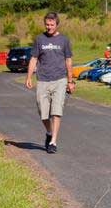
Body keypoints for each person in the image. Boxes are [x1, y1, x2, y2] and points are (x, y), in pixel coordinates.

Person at [25, 12, 75, 154]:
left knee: (56, 111)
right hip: (43, 80)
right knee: (43, 112)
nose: (49, 27)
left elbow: (68, 60)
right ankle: (49, 132)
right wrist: (29, 77)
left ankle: (53, 141)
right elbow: (34, 59)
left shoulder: (64, 40)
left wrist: (70, 81)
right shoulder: (39, 39)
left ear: (56, 24)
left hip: (60, 80)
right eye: (47, 24)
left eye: (52, 24)